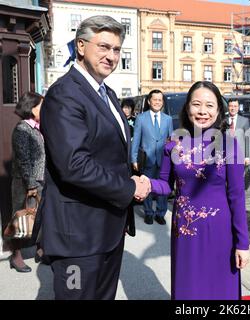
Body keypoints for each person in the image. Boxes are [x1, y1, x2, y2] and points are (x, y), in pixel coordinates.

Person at [36, 15, 150, 300]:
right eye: (104, 47)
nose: (111, 56)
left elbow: (110, 155)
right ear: (81, 46)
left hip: (107, 229)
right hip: (79, 237)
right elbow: (73, 165)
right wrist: (128, 188)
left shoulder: (106, 93)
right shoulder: (65, 93)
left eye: (116, 49)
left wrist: (132, 176)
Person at [150, 81, 250, 300]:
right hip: (186, 232)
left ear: (218, 110)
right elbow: (166, 185)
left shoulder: (230, 145)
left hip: (220, 232)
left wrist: (242, 243)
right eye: (196, 104)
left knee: (220, 289)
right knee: (189, 288)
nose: (202, 111)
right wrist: (145, 185)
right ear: (187, 108)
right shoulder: (173, 145)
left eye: (209, 105)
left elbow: (237, 196)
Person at [5, 92, 45, 273]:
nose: (43, 110)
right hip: (25, 183)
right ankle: (16, 255)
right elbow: (23, 160)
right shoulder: (22, 129)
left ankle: (40, 250)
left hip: (39, 180)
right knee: (21, 218)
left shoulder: (36, 127)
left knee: (38, 218)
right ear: (31, 107)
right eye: (41, 106)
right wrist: (30, 184)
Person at [131, 90, 173, 225]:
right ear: (149, 101)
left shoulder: (168, 119)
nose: (157, 102)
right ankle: (148, 212)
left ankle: (161, 213)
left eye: (160, 100)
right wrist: (134, 158)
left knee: (162, 187)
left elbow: (171, 141)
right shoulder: (141, 118)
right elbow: (136, 139)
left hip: (164, 160)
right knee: (146, 186)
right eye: (154, 99)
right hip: (146, 159)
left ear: (162, 102)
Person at [227, 98, 250, 166]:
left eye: (235, 106)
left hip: (240, 156)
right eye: (231, 106)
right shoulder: (223, 120)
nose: (233, 108)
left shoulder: (244, 121)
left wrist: (247, 157)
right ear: (228, 107)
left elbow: (247, 139)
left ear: (238, 107)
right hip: (227, 156)